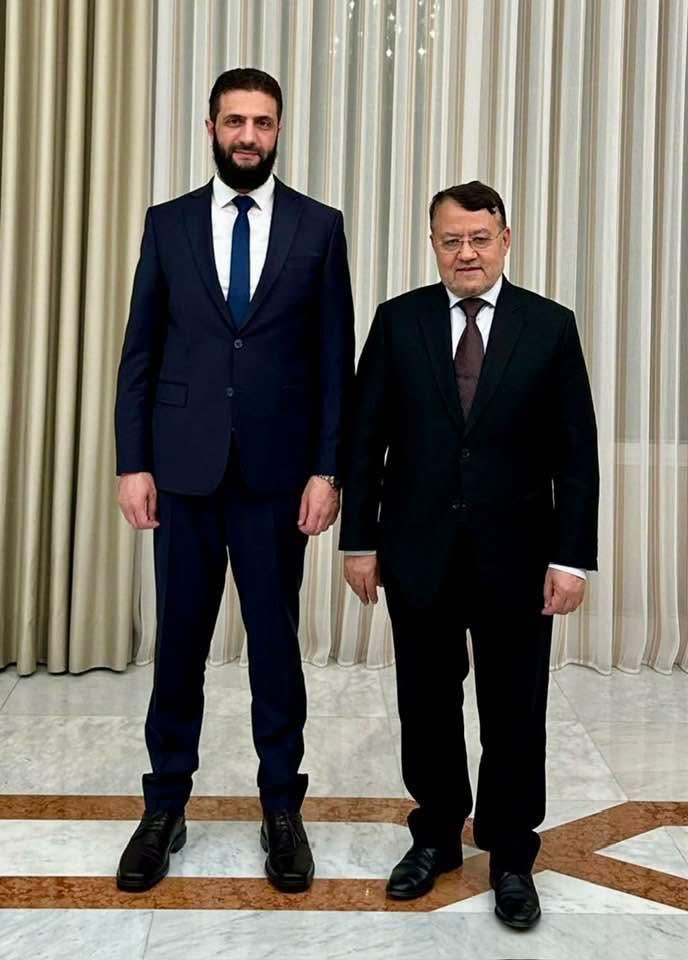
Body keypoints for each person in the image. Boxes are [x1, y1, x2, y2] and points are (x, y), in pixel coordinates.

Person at [114, 68, 354, 894]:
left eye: (262, 122)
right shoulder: (169, 223)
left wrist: (328, 469)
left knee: (275, 652)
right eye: (234, 121)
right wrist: (133, 462)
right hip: (182, 473)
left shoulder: (320, 227)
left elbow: (334, 361)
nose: (248, 136)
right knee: (178, 645)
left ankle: (281, 808)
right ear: (210, 127)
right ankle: (164, 807)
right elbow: (140, 351)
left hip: (277, 479)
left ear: (279, 130)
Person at [340, 181, 598, 929]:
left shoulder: (550, 326)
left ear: (505, 240)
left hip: (519, 557)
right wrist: (359, 539)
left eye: (480, 239)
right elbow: (365, 439)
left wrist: (571, 558)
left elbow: (575, 453)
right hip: (416, 551)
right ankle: (436, 836)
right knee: (426, 702)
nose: (466, 253)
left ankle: (512, 853)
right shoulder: (398, 321)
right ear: (433, 244)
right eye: (451, 240)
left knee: (515, 708)